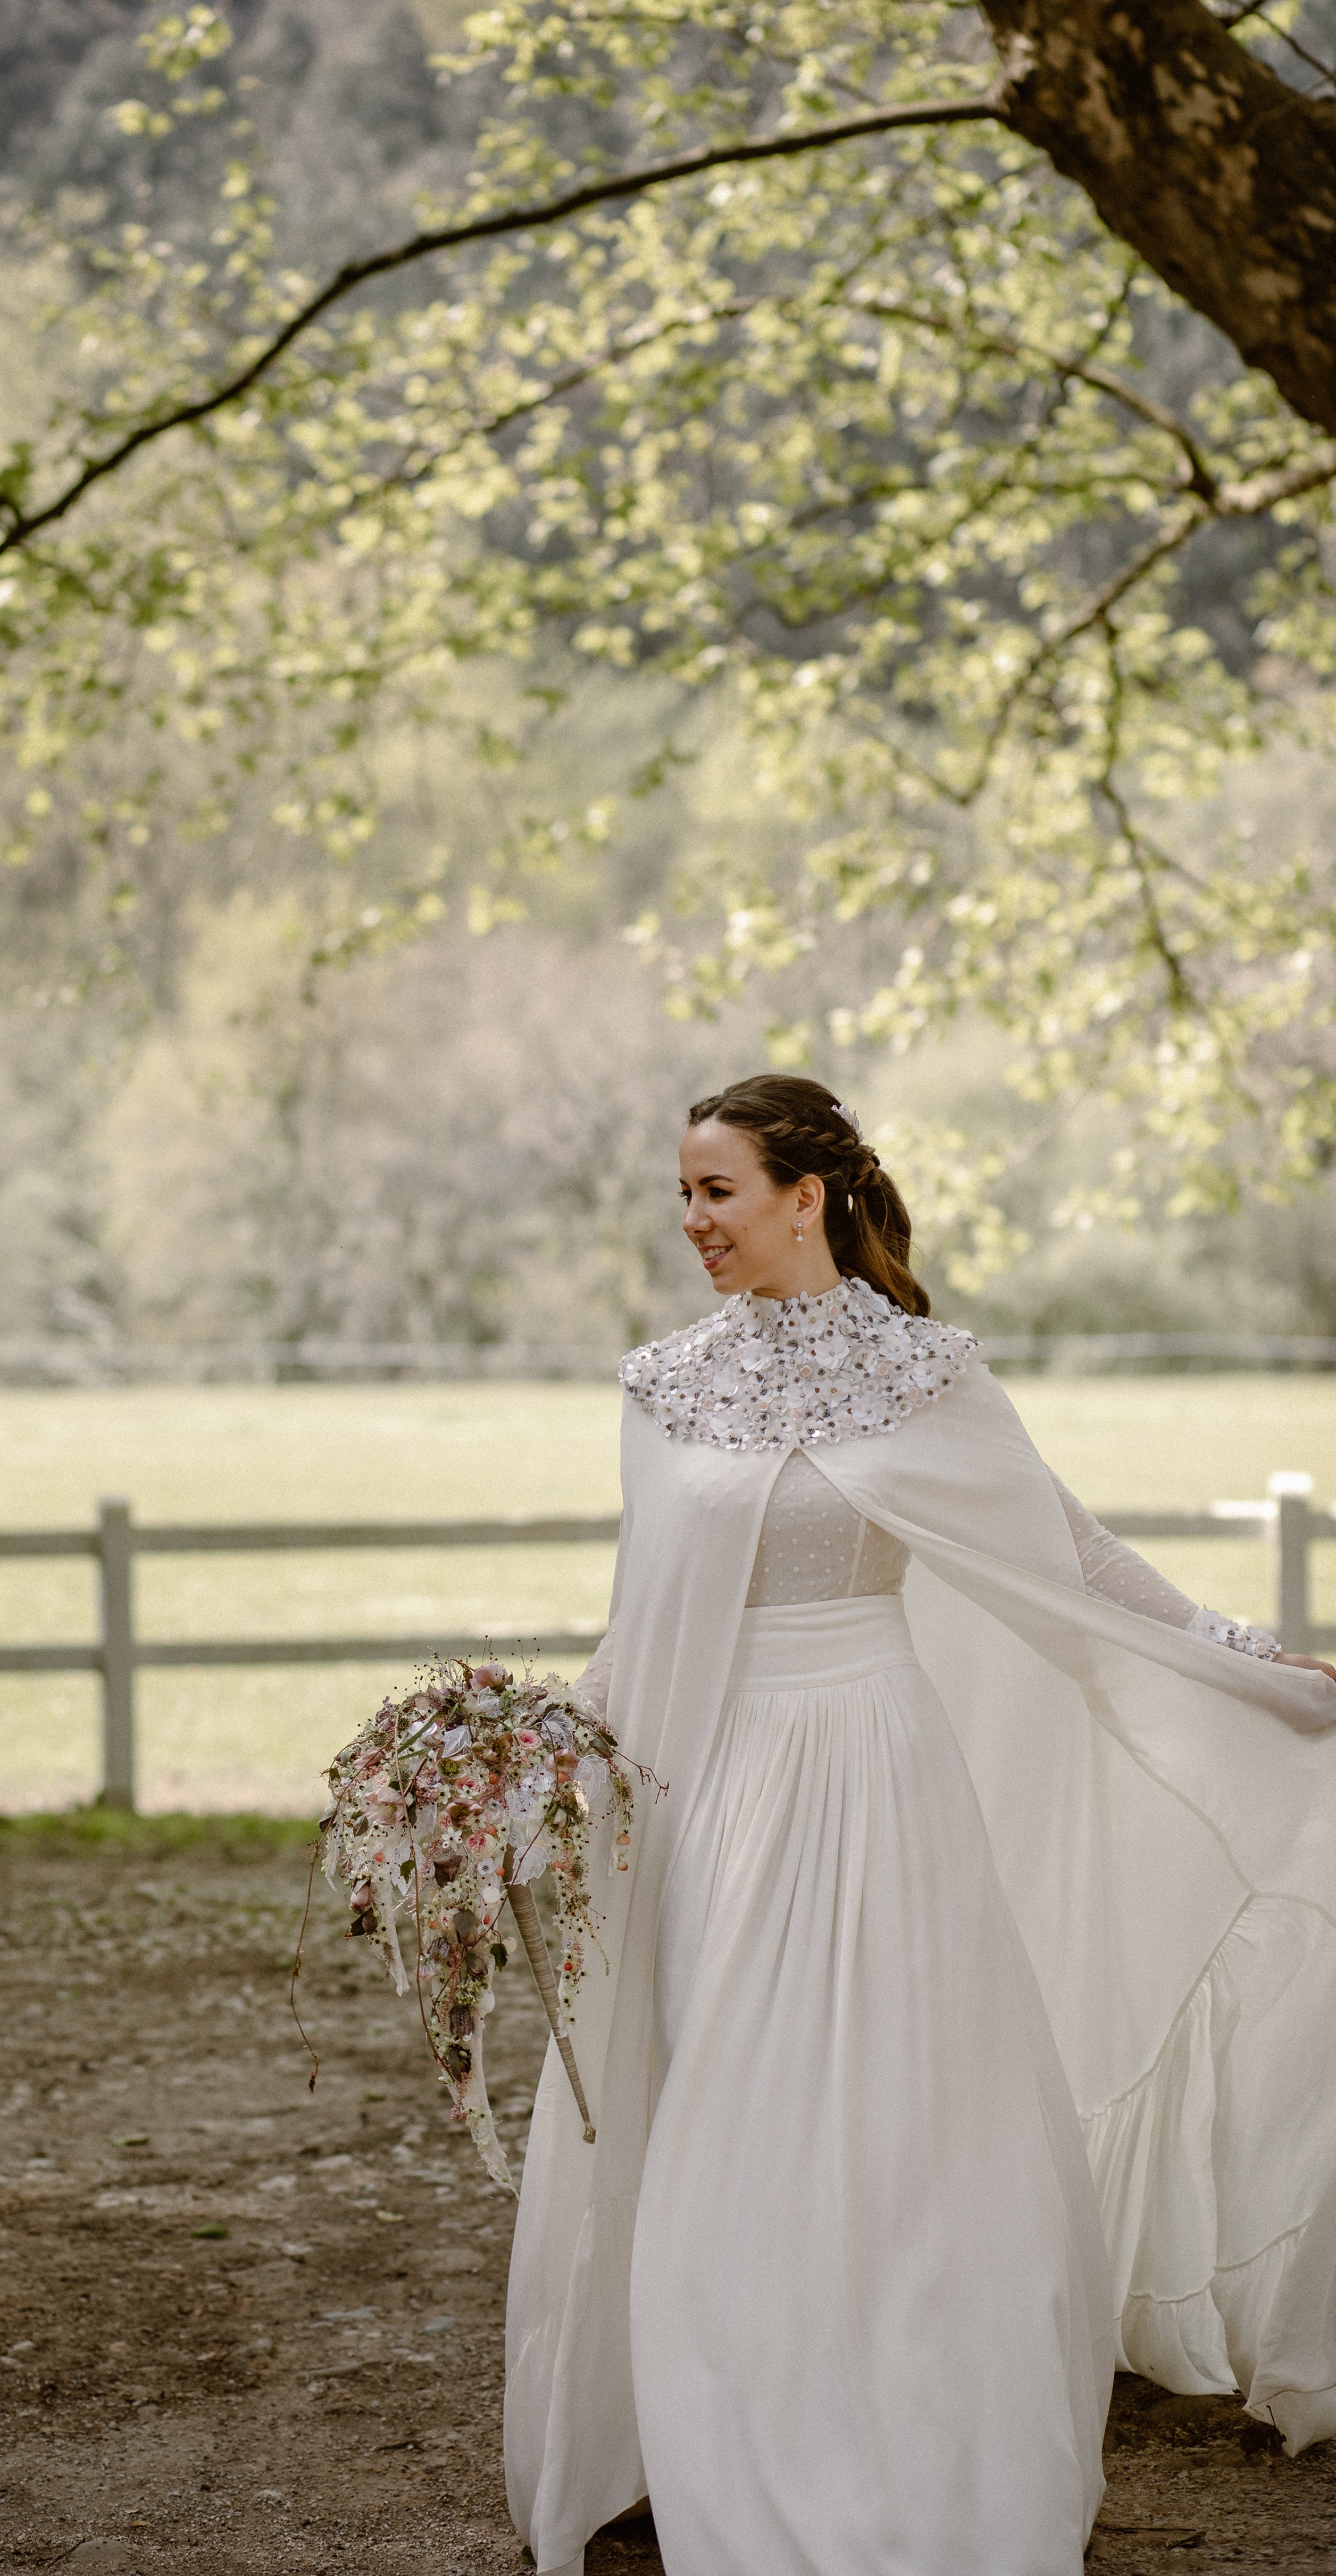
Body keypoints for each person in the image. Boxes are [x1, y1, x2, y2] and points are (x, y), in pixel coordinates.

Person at [502, 1074, 1336, 2576]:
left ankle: (915, 2426)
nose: (693, 1221)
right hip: (727, 1791)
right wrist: (521, 1758)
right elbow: (637, 1628)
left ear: (804, 1195)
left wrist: (1247, 1660)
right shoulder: (664, 1386)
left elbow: (1067, 1546)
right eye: (682, 1195)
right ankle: (737, 2427)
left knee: (902, 2104)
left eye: (719, 1192)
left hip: (882, 1772)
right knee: (731, 2101)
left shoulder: (928, 1372)